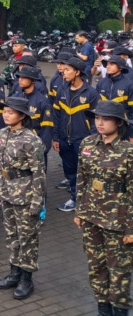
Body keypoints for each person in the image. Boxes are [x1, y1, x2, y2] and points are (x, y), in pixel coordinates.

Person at [74, 100, 133, 316]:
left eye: (105, 119)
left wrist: (131, 228)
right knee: (96, 265)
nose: (100, 122)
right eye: (97, 118)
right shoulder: (87, 144)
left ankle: (119, 315)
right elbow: (81, 179)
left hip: (117, 219)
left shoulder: (128, 152)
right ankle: (104, 312)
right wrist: (80, 211)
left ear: (118, 123)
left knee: (118, 270)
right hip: (91, 216)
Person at [0, 96, 46, 300]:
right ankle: (14, 273)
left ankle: (26, 279)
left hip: (25, 195)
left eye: (11, 112)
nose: (6, 115)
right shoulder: (0, 134)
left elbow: (39, 174)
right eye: (5, 111)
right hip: (7, 194)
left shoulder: (31, 140)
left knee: (28, 239)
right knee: (12, 236)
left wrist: (36, 203)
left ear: (22, 115)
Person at [53, 57, 99, 212]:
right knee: (70, 170)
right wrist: (56, 137)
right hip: (65, 140)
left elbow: (95, 121)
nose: (63, 73)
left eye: (67, 70)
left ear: (77, 72)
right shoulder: (62, 90)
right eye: (63, 70)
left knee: (85, 172)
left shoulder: (91, 93)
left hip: (83, 141)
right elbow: (57, 115)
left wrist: (92, 141)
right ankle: (74, 198)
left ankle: (88, 201)